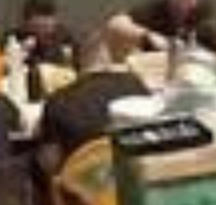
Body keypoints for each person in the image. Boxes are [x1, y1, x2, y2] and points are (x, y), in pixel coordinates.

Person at [38, 35, 150, 172]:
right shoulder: (134, 84)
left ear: (75, 64)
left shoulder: (57, 100)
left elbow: (50, 163)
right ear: (109, 61)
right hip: (134, 175)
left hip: (82, 183)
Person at [4, 0, 79, 69]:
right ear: (27, 22)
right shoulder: (13, 39)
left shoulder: (65, 39)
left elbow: (74, 68)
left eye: (49, 17)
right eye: (39, 18)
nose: (46, 23)